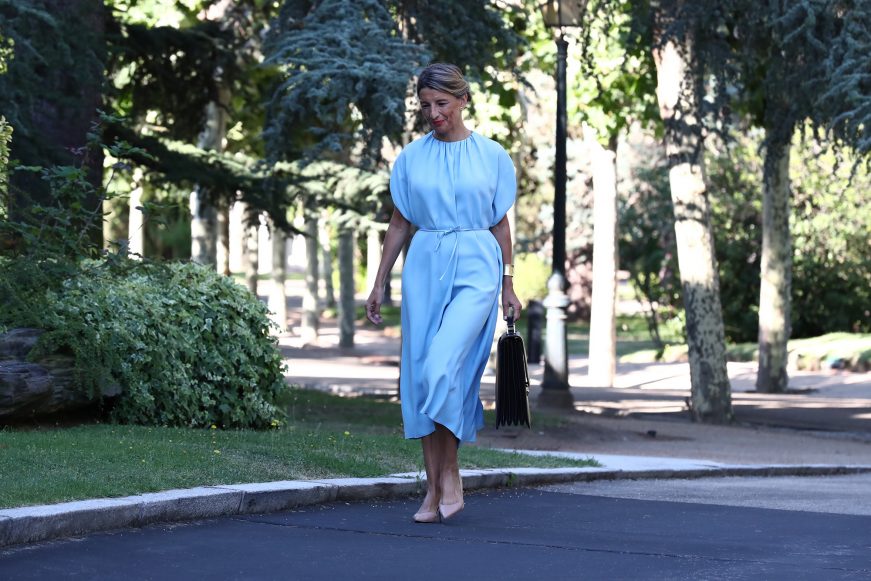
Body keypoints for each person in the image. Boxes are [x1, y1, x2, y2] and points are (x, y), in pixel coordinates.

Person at [365, 63, 522, 523]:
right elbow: (399, 223)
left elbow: (500, 223)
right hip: (425, 263)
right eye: (426, 106)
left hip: (477, 264)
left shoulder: (492, 155)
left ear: (463, 101)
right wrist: (379, 282)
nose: (434, 114)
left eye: (442, 104)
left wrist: (508, 284)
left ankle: (449, 472)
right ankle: (433, 492)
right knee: (420, 377)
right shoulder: (412, 158)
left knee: (442, 368)